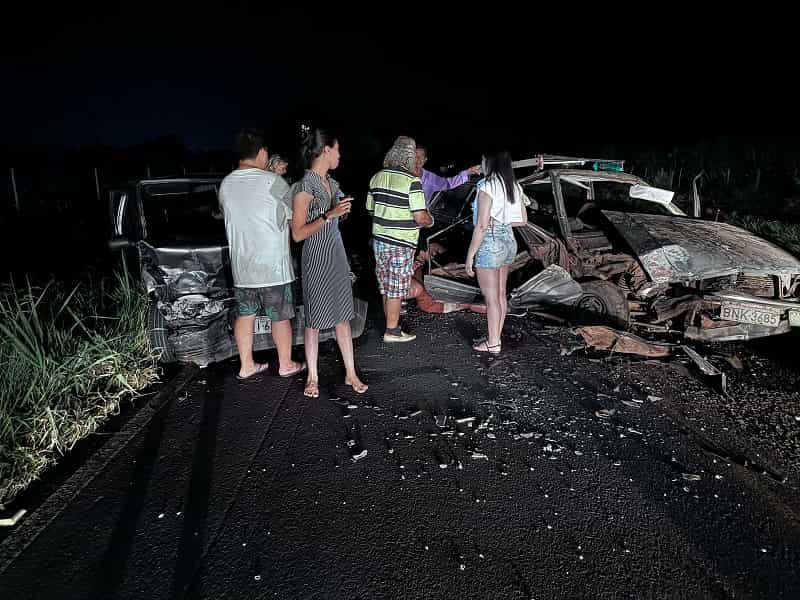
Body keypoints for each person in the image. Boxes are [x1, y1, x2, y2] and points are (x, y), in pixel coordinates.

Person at [218, 129, 306, 380]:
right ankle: (286, 363)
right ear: (262, 153)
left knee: (245, 314)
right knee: (279, 317)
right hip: (273, 268)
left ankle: (246, 365)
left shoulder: (226, 184)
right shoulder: (273, 182)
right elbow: (293, 218)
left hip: (243, 268)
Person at [290, 127, 368, 398]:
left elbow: (334, 216)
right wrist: (328, 215)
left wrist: (341, 212)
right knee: (314, 319)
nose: (340, 155)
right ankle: (312, 377)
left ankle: (351, 373)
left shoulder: (331, 184)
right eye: (337, 150)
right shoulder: (304, 185)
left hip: (336, 253)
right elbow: (298, 233)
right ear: (326, 150)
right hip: (315, 256)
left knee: (343, 316)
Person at [367, 136, 433, 342]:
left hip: (379, 240)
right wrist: (431, 220)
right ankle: (392, 331)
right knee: (396, 287)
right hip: (401, 241)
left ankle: (391, 324)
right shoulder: (411, 181)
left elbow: (370, 209)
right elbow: (420, 217)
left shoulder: (377, 177)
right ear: (410, 157)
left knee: (386, 285)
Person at [464, 149, 528, 354]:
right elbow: (523, 220)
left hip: (490, 242)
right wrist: (501, 221)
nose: (481, 163)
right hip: (509, 240)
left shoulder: (486, 186)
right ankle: (495, 338)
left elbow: (481, 226)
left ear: (489, 162)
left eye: (483, 160)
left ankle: (493, 343)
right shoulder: (514, 186)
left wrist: (470, 256)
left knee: (491, 298)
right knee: (500, 295)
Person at [414, 145, 481, 206]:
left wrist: (468, 172)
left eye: (421, 156)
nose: (418, 159)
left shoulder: (430, 178)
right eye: (415, 156)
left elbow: (448, 183)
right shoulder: (403, 174)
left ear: (425, 159)